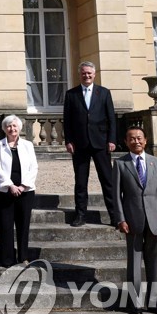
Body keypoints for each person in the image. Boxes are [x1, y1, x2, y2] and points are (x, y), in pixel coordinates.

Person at [112, 125, 157, 314]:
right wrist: (120, 219)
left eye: (139, 138)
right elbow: (116, 196)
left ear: (145, 140)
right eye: (131, 138)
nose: (136, 141)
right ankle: (134, 303)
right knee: (134, 264)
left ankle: (154, 302)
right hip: (132, 220)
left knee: (153, 263)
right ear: (126, 142)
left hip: (155, 219)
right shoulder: (121, 164)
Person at [62, 60, 117, 226]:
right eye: (84, 73)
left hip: (101, 142)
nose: (86, 75)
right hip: (79, 144)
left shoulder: (104, 93)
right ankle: (80, 215)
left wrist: (112, 140)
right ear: (80, 74)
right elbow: (67, 120)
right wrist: (69, 141)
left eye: (89, 73)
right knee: (80, 182)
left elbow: (111, 118)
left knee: (108, 181)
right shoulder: (71, 94)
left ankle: (115, 216)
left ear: (94, 74)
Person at [0, 115, 38, 267]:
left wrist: (24, 186)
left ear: (19, 128)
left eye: (14, 126)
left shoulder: (28, 145)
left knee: (23, 224)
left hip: (26, 190)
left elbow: (34, 167)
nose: (12, 129)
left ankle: (23, 256)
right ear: (4, 129)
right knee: (5, 225)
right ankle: (7, 258)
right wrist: (10, 185)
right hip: (4, 191)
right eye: (8, 126)